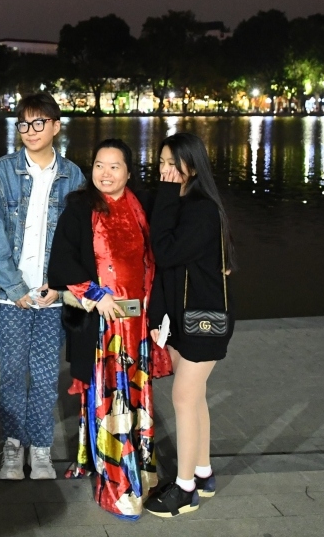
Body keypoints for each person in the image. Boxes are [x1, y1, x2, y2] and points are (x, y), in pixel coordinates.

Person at [48, 138, 171, 520]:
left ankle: (142, 469)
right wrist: (96, 294)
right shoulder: (80, 207)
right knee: (110, 401)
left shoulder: (141, 206)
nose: (105, 173)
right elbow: (62, 260)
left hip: (137, 322)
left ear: (129, 172)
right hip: (103, 325)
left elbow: (159, 255)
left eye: (114, 166)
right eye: (99, 165)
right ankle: (115, 484)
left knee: (135, 397)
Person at [0, 92, 84, 481]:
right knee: (11, 372)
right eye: (24, 124)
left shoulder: (73, 176)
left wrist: (59, 286)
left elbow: (78, 241)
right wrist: (14, 288)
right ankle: (13, 447)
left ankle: (40, 449)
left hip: (53, 295)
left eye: (39, 123)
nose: (30, 131)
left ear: (56, 127)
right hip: (9, 295)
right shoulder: (0, 173)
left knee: (43, 374)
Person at [144, 132, 235, 519]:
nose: (164, 171)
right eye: (161, 163)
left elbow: (164, 252)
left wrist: (163, 199)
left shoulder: (199, 209)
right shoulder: (185, 204)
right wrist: (157, 320)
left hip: (205, 322)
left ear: (192, 167)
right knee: (193, 396)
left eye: (172, 164)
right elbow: (168, 273)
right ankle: (203, 473)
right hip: (183, 319)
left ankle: (185, 490)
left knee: (183, 397)